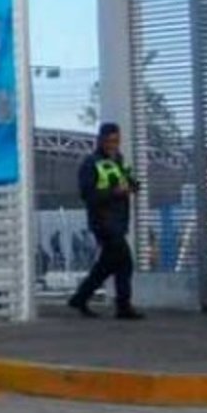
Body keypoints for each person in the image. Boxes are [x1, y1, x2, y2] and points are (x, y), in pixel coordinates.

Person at [69, 121, 144, 320]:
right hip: (103, 222)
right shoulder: (90, 163)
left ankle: (81, 297)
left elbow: (126, 181)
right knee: (125, 262)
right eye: (110, 141)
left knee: (109, 264)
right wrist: (115, 192)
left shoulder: (118, 160)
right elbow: (88, 195)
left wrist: (132, 185)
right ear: (101, 140)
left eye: (116, 140)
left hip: (118, 221)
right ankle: (123, 306)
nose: (113, 144)